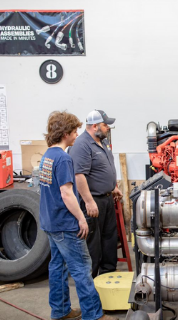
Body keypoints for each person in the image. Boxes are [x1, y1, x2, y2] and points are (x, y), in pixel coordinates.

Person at [39, 111, 117, 320]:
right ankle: (93, 315)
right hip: (65, 224)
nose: (76, 134)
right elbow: (66, 193)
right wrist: (81, 218)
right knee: (82, 267)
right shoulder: (63, 159)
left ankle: (61, 310)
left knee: (57, 266)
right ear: (65, 133)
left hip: (50, 221)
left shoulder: (47, 156)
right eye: (74, 131)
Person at [69, 109, 123, 278]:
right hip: (93, 201)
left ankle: (108, 274)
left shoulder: (102, 142)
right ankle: (91, 281)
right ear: (94, 126)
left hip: (107, 198)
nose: (108, 128)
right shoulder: (82, 145)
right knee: (93, 243)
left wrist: (112, 187)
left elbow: (101, 169)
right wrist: (89, 201)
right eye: (106, 125)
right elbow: (79, 176)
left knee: (109, 238)